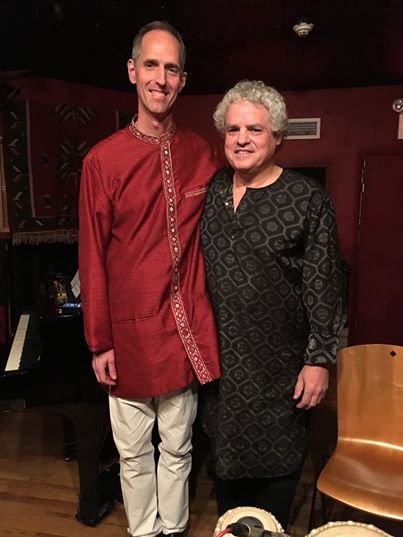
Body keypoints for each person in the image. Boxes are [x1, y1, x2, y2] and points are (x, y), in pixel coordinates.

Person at [78, 20, 221, 537]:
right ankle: (144, 532)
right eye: (152, 65)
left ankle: (174, 529)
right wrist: (99, 342)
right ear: (133, 71)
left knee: (179, 448)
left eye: (172, 68)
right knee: (134, 454)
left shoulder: (202, 153)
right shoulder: (102, 161)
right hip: (128, 334)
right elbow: (92, 257)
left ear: (183, 79)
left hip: (183, 331)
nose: (162, 78)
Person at [200, 80, 345, 530]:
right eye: (233, 129)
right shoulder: (213, 189)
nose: (242, 139)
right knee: (227, 489)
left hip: (279, 371)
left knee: (274, 489)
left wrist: (319, 360)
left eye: (255, 130)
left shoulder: (308, 199)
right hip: (220, 370)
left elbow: (324, 286)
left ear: (278, 137)